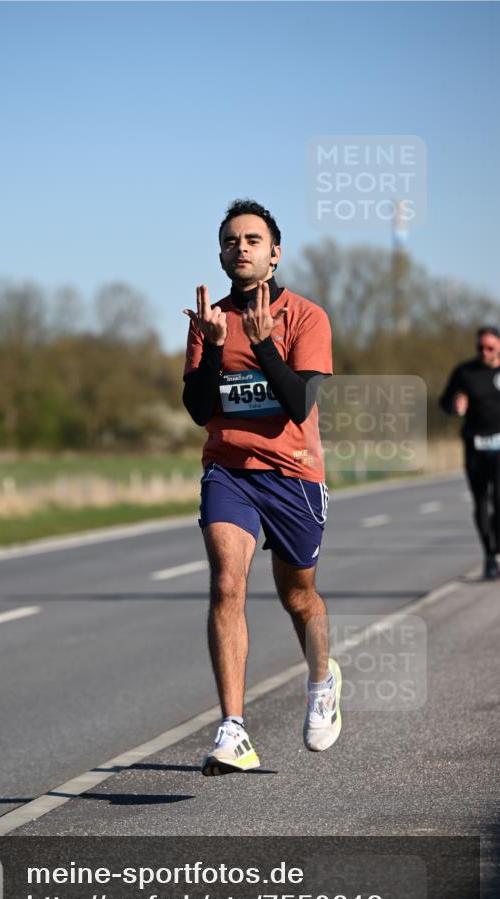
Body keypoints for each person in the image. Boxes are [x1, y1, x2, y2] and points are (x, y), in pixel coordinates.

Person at [182, 198, 341, 776]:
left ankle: (322, 681)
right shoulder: (210, 321)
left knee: (299, 596)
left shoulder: (306, 317)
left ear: (274, 254)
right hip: (229, 472)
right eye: (230, 241)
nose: (240, 248)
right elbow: (201, 410)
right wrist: (214, 347)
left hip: (294, 475)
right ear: (222, 255)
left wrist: (265, 342)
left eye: (252, 240)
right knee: (228, 585)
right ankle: (233, 729)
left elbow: (299, 402)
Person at [439, 326, 500, 580]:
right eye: (480, 348)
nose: (484, 352)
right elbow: (444, 401)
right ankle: (489, 555)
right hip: (474, 445)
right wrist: (455, 406)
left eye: (490, 348)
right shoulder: (465, 372)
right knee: (481, 502)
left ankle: (496, 549)